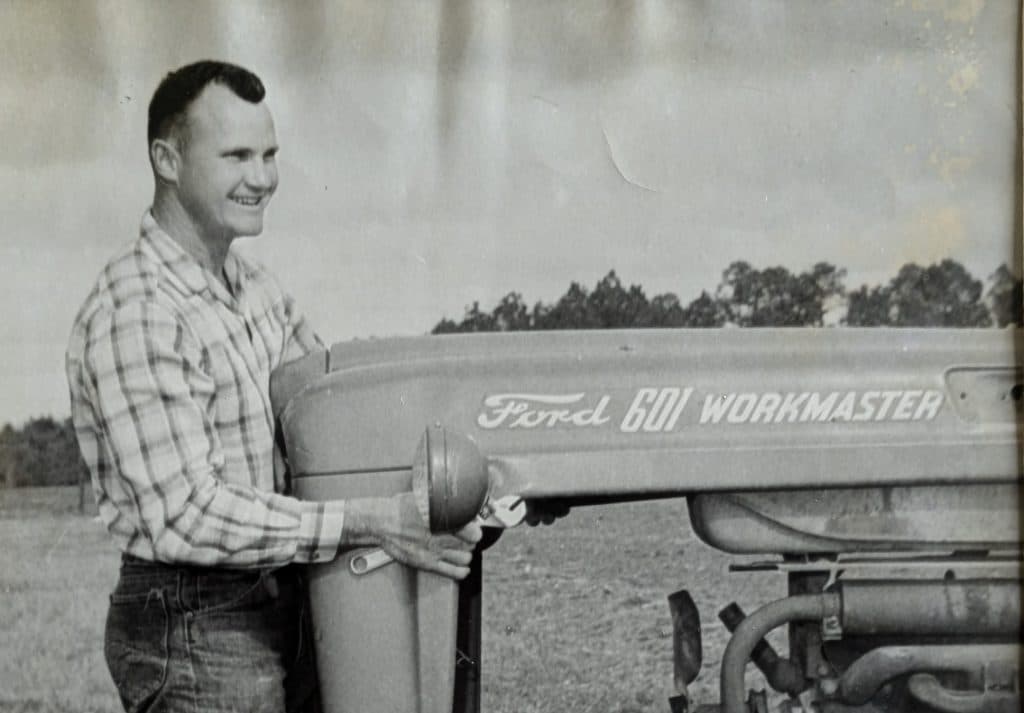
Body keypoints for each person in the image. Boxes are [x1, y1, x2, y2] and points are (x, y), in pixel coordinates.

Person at [65, 60, 482, 713]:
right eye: (236, 156)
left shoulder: (259, 292)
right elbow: (187, 515)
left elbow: (342, 418)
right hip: (197, 623)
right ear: (167, 160)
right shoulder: (137, 309)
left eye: (269, 155)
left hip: (290, 594)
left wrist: (473, 477)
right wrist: (372, 520)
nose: (262, 178)